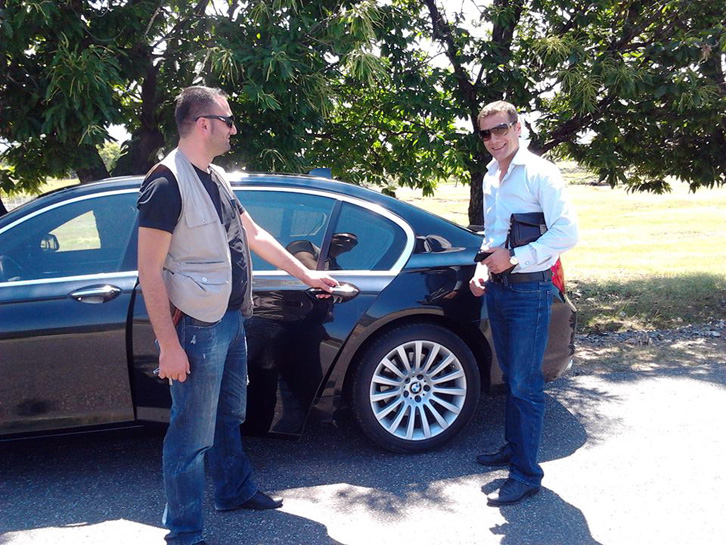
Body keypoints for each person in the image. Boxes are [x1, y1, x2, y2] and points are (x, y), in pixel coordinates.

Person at [137, 85, 338, 545]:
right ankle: (184, 533)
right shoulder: (166, 183)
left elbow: (255, 235)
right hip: (196, 326)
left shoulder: (216, 176)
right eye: (228, 120)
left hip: (229, 320)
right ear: (203, 124)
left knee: (229, 414)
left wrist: (307, 274)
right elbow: (148, 270)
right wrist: (168, 345)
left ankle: (233, 490)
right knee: (190, 434)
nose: (233, 129)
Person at [468, 100, 578, 507]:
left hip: (530, 289)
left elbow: (567, 232)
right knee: (511, 374)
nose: (494, 139)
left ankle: (527, 474)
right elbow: (494, 235)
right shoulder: (491, 176)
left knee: (525, 383)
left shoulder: (540, 173)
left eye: (501, 129)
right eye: (486, 133)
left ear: (518, 127)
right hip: (499, 288)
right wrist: (483, 268)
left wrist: (514, 258)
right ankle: (514, 448)